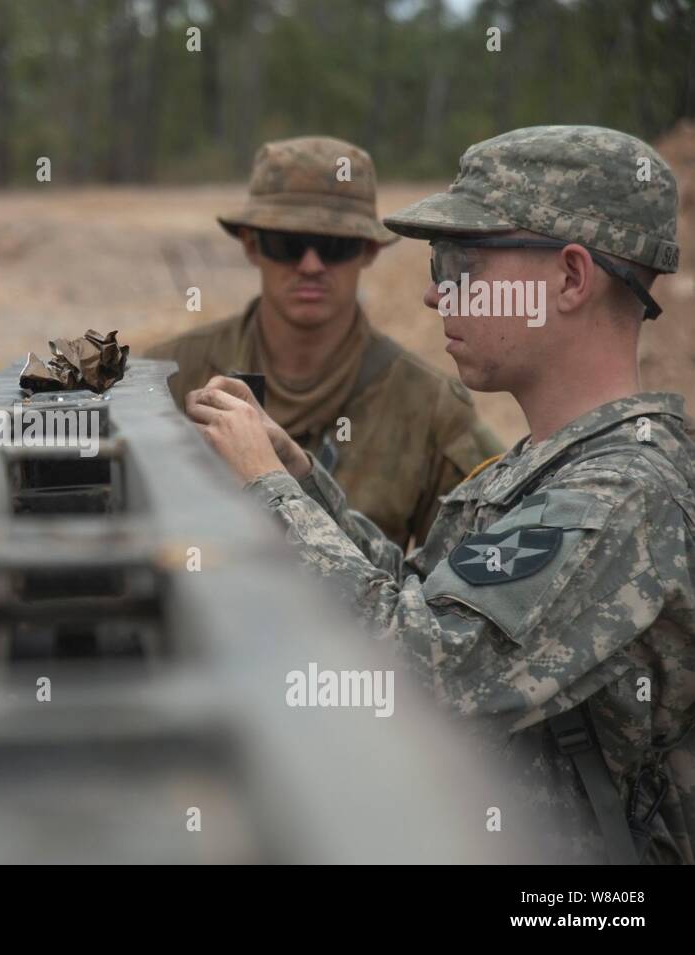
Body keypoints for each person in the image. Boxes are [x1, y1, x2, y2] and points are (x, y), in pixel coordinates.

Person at [187, 125, 692, 863]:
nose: (432, 291)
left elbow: (420, 674)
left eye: (461, 261)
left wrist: (268, 491)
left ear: (572, 277)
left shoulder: (622, 496)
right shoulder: (554, 467)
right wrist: (300, 480)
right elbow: (417, 600)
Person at [146, 136, 503, 548]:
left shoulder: (431, 409)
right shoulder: (167, 376)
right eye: (289, 244)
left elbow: (473, 570)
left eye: (335, 246)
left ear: (368, 250)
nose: (311, 265)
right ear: (250, 245)